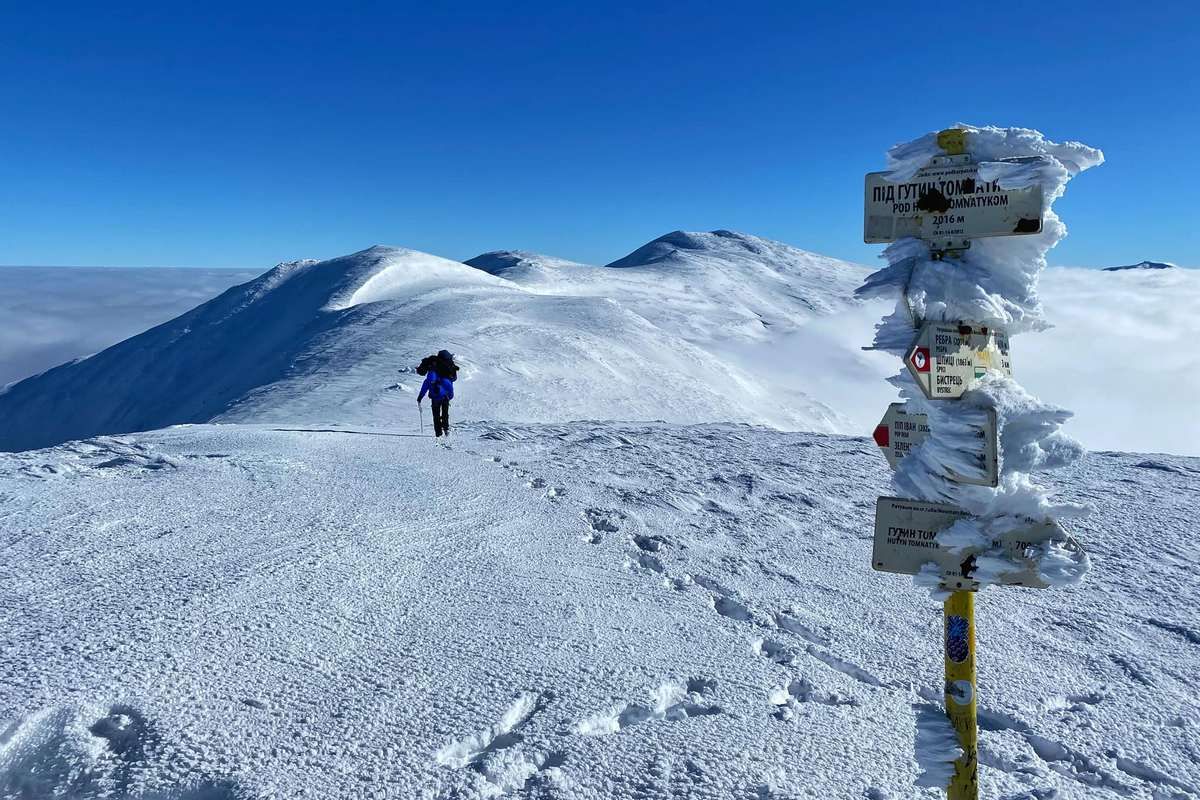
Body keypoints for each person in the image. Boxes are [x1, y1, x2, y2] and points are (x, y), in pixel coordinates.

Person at [417, 350, 457, 437]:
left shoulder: (432, 373)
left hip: (435, 397)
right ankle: (446, 430)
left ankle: (438, 433)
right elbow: (453, 379)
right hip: (446, 396)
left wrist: (420, 397)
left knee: (436, 415)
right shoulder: (447, 371)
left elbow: (426, 385)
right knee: (445, 413)